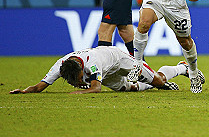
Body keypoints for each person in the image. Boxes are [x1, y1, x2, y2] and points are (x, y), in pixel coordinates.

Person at [9, 46, 186, 94]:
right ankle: (151, 85)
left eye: (78, 78)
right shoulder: (60, 65)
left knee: (159, 81)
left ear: (82, 69)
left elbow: (96, 88)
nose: (78, 83)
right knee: (130, 89)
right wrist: (25, 91)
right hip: (106, 72)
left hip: (119, 60)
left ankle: (181, 68)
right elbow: (39, 86)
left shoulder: (92, 63)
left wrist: (79, 93)